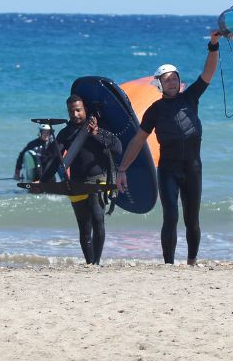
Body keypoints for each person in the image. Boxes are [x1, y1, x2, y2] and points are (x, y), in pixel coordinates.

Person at [116, 31, 220, 266]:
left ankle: (192, 261)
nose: (171, 82)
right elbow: (138, 141)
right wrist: (122, 169)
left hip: (193, 168)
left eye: (174, 78)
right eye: (167, 79)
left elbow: (208, 73)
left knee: (192, 219)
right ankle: (169, 265)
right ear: (160, 84)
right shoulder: (154, 110)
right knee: (171, 216)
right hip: (168, 170)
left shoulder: (191, 97)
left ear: (178, 81)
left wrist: (213, 45)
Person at [54, 95, 121, 265]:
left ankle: (96, 262)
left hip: (98, 178)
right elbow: (56, 158)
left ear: (85, 109)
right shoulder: (66, 133)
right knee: (84, 227)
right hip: (76, 183)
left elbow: (118, 148)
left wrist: (96, 134)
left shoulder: (98, 129)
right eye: (71, 111)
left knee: (98, 218)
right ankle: (90, 263)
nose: (75, 114)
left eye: (78, 110)